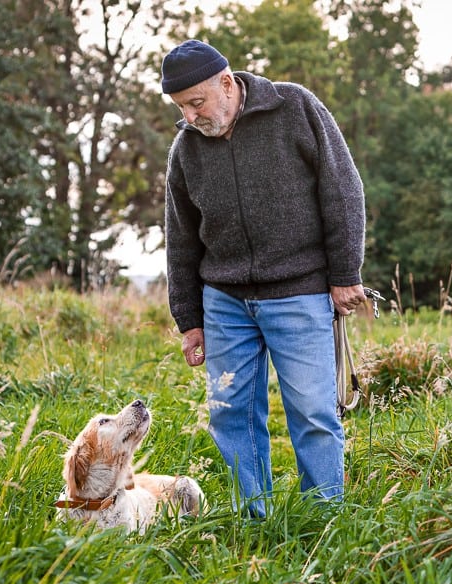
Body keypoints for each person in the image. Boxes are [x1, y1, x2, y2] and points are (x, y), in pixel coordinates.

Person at [161, 40, 367, 518]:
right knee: (230, 415)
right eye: (181, 108)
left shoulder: (294, 107)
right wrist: (189, 317)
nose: (190, 117)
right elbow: (181, 238)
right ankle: (255, 519)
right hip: (224, 302)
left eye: (197, 102)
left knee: (314, 413)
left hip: (299, 290)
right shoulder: (185, 148)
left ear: (227, 84)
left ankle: (323, 519)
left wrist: (343, 274)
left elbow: (343, 188)